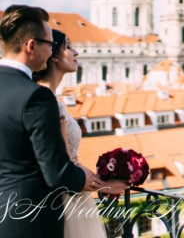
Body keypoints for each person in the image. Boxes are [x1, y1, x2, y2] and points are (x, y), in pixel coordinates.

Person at [0, 4, 105, 237]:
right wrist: (87, 179)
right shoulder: (36, 96)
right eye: (49, 45)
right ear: (31, 46)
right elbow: (56, 173)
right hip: (29, 220)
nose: (50, 52)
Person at [33, 28, 127, 237]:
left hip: (72, 192)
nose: (76, 53)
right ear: (52, 55)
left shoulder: (50, 98)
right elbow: (63, 163)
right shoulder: (46, 101)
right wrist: (103, 186)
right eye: (68, 47)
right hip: (66, 197)